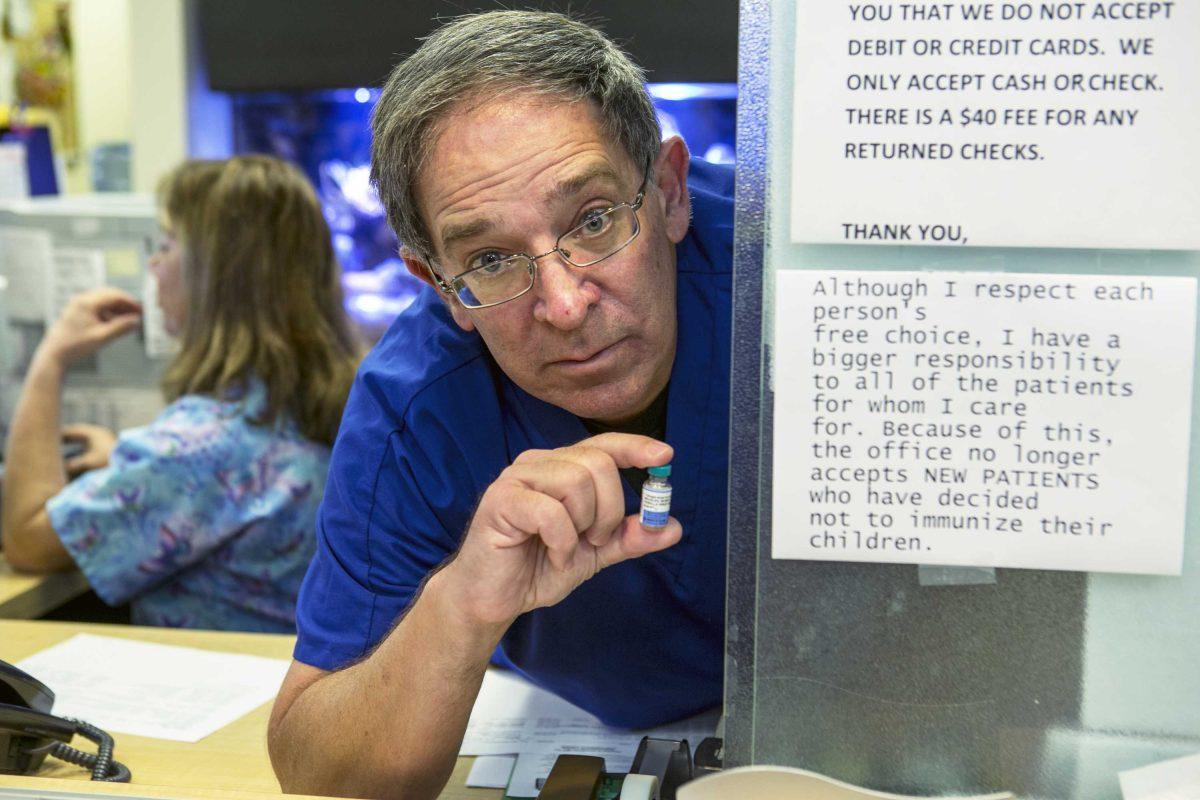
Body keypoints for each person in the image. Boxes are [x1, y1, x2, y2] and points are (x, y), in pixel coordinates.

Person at [268, 11, 733, 799]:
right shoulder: (416, 408)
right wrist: (459, 607)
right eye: (490, 259)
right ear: (435, 285)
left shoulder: (809, 288)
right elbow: (318, 768)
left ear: (670, 192)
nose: (563, 303)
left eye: (592, 219)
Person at [1, 155, 361, 632]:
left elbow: (27, 540)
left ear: (213, 276)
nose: (153, 264)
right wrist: (126, 468)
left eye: (167, 245)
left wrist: (51, 360)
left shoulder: (199, 448)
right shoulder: (342, 400)